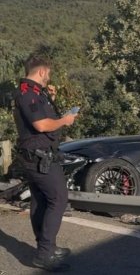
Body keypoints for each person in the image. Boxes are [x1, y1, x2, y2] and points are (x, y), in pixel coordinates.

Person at [13, 53, 77, 272]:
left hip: (37, 156)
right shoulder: (28, 94)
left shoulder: (33, 93)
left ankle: (47, 247)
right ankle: (44, 254)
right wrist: (65, 120)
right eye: (48, 73)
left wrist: (51, 100)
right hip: (39, 157)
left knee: (40, 201)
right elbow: (41, 125)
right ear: (41, 71)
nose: (49, 77)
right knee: (58, 199)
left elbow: (38, 116)